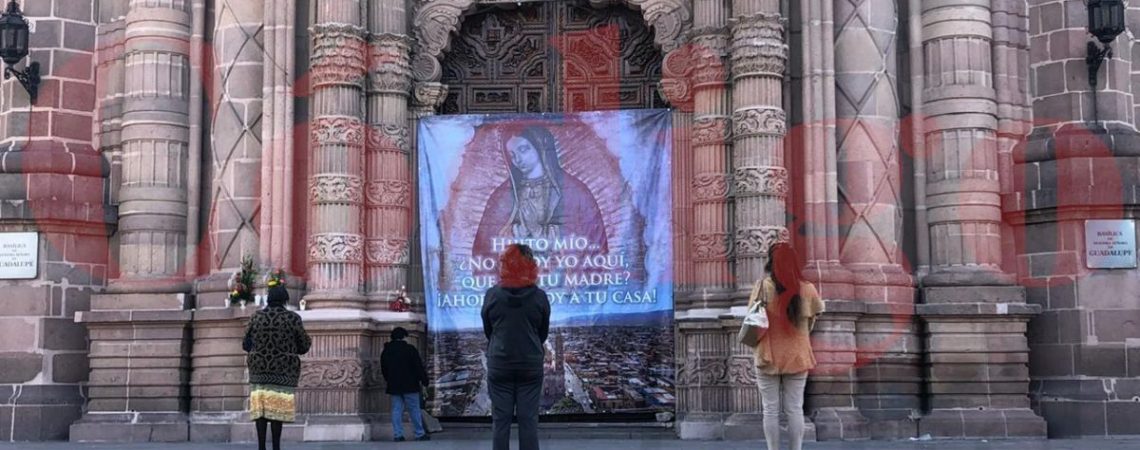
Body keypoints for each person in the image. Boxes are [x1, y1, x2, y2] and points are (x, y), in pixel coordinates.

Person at [473, 126, 608, 255]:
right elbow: (485, 244)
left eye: (523, 149)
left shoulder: (574, 191)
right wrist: (517, 231)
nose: (517, 159)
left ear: (541, 147)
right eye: (512, 155)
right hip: (517, 273)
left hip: (563, 275)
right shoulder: (502, 196)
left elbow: (592, 241)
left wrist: (538, 231)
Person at [747, 242, 825, 450]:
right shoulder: (807, 289)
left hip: (768, 355)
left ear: (771, 262)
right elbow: (812, 320)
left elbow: (751, 319)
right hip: (798, 356)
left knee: (770, 410)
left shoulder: (763, 286)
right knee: (795, 409)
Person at [481, 243, 551, 450]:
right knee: (528, 420)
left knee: (500, 421)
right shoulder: (539, 296)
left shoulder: (492, 295)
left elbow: (488, 330)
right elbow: (543, 333)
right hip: (530, 364)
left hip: (500, 363)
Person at [242, 284, 311, 450]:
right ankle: (276, 447)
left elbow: (245, 343)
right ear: (285, 300)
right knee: (276, 411)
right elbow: (304, 345)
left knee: (261, 410)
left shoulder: (256, 317)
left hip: (259, 370)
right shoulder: (292, 318)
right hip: (283, 371)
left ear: (269, 298)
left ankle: (261, 447)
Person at [380, 326, 430, 442]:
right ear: (403, 337)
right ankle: (419, 433)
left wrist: (389, 380)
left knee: (396, 410)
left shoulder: (387, 351)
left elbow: (384, 369)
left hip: (394, 385)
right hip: (410, 384)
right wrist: (424, 380)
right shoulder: (410, 349)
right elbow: (418, 367)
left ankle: (398, 435)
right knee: (414, 409)